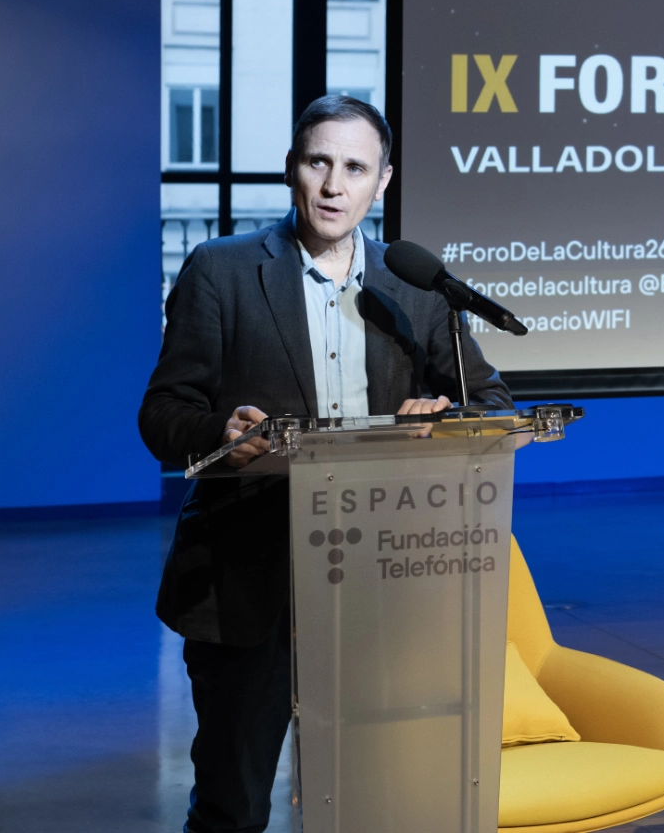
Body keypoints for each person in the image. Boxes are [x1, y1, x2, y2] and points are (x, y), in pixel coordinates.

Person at [139, 95, 511, 833]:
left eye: (354, 167)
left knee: (381, 799)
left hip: (384, 583)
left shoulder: (416, 288)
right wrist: (222, 428)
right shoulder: (222, 271)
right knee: (232, 804)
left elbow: (491, 400)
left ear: (384, 180)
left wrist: (446, 418)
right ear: (291, 170)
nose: (334, 184)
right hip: (248, 577)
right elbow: (163, 414)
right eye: (319, 162)